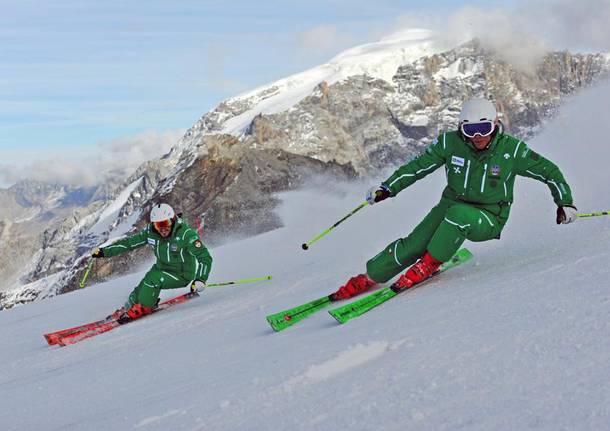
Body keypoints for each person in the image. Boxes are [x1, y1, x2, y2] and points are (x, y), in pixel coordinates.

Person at [332, 97, 577, 300]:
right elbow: (418, 166)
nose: (478, 136)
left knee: (457, 217)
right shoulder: (451, 143)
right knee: (414, 244)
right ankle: (369, 277)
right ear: (461, 128)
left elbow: (549, 172)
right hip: (451, 203)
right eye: (470, 130)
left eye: (485, 129)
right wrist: (388, 187)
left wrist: (564, 202)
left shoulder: (511, 151)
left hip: (490, 215)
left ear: (496, 125)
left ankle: (429, 264)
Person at [91, 203, 213, 321]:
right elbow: (129, 243)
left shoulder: (186, 235)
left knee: (152, 279)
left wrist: (200, 279)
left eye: (165, 223)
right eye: (157, 225)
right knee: (141, 288)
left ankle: (145, 306)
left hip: (181, 274)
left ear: (173, 219)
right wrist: (104, 251)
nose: (162, 228)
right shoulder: (151, 233)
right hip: (161, 269)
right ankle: (128, 308)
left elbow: (205, 257)